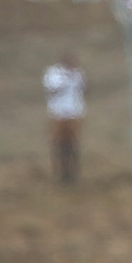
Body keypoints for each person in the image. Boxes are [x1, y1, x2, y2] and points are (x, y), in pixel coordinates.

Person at [43, 52, 85, 184]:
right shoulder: (53, 73)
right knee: (59, 144)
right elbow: (52, 90)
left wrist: (76, 76)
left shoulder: (78, 73)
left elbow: (84, 88)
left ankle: (73, 171)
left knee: (73, 143)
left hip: (74, 112)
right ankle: (59, 171)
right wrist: (66, 80)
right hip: (58, 113)